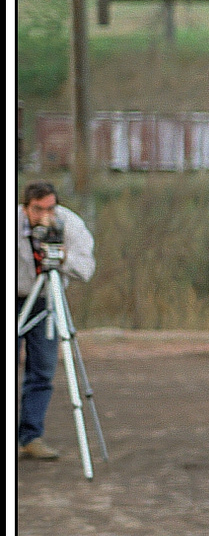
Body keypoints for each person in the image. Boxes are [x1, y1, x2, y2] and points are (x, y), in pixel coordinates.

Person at [15, 181, 96, 461]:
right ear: (26, 207)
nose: (45, 215)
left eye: (51, 207)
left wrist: (61, 256)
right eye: (38, 209)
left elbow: (86, 269)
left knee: (42, 370)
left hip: (47, 299)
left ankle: (30, 436)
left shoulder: (70, 224)